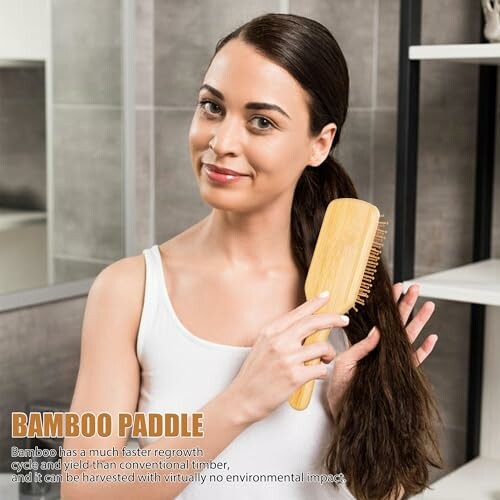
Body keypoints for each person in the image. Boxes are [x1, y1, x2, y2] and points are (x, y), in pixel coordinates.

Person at [61, 13, 439, 500]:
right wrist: (240, 401)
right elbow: (83, 493)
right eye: (212, 107)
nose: (221, 142)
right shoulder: (130, 291)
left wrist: (357, 422)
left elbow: (390, 493)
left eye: (261, 121)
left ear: (319, 144)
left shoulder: (349, 301)